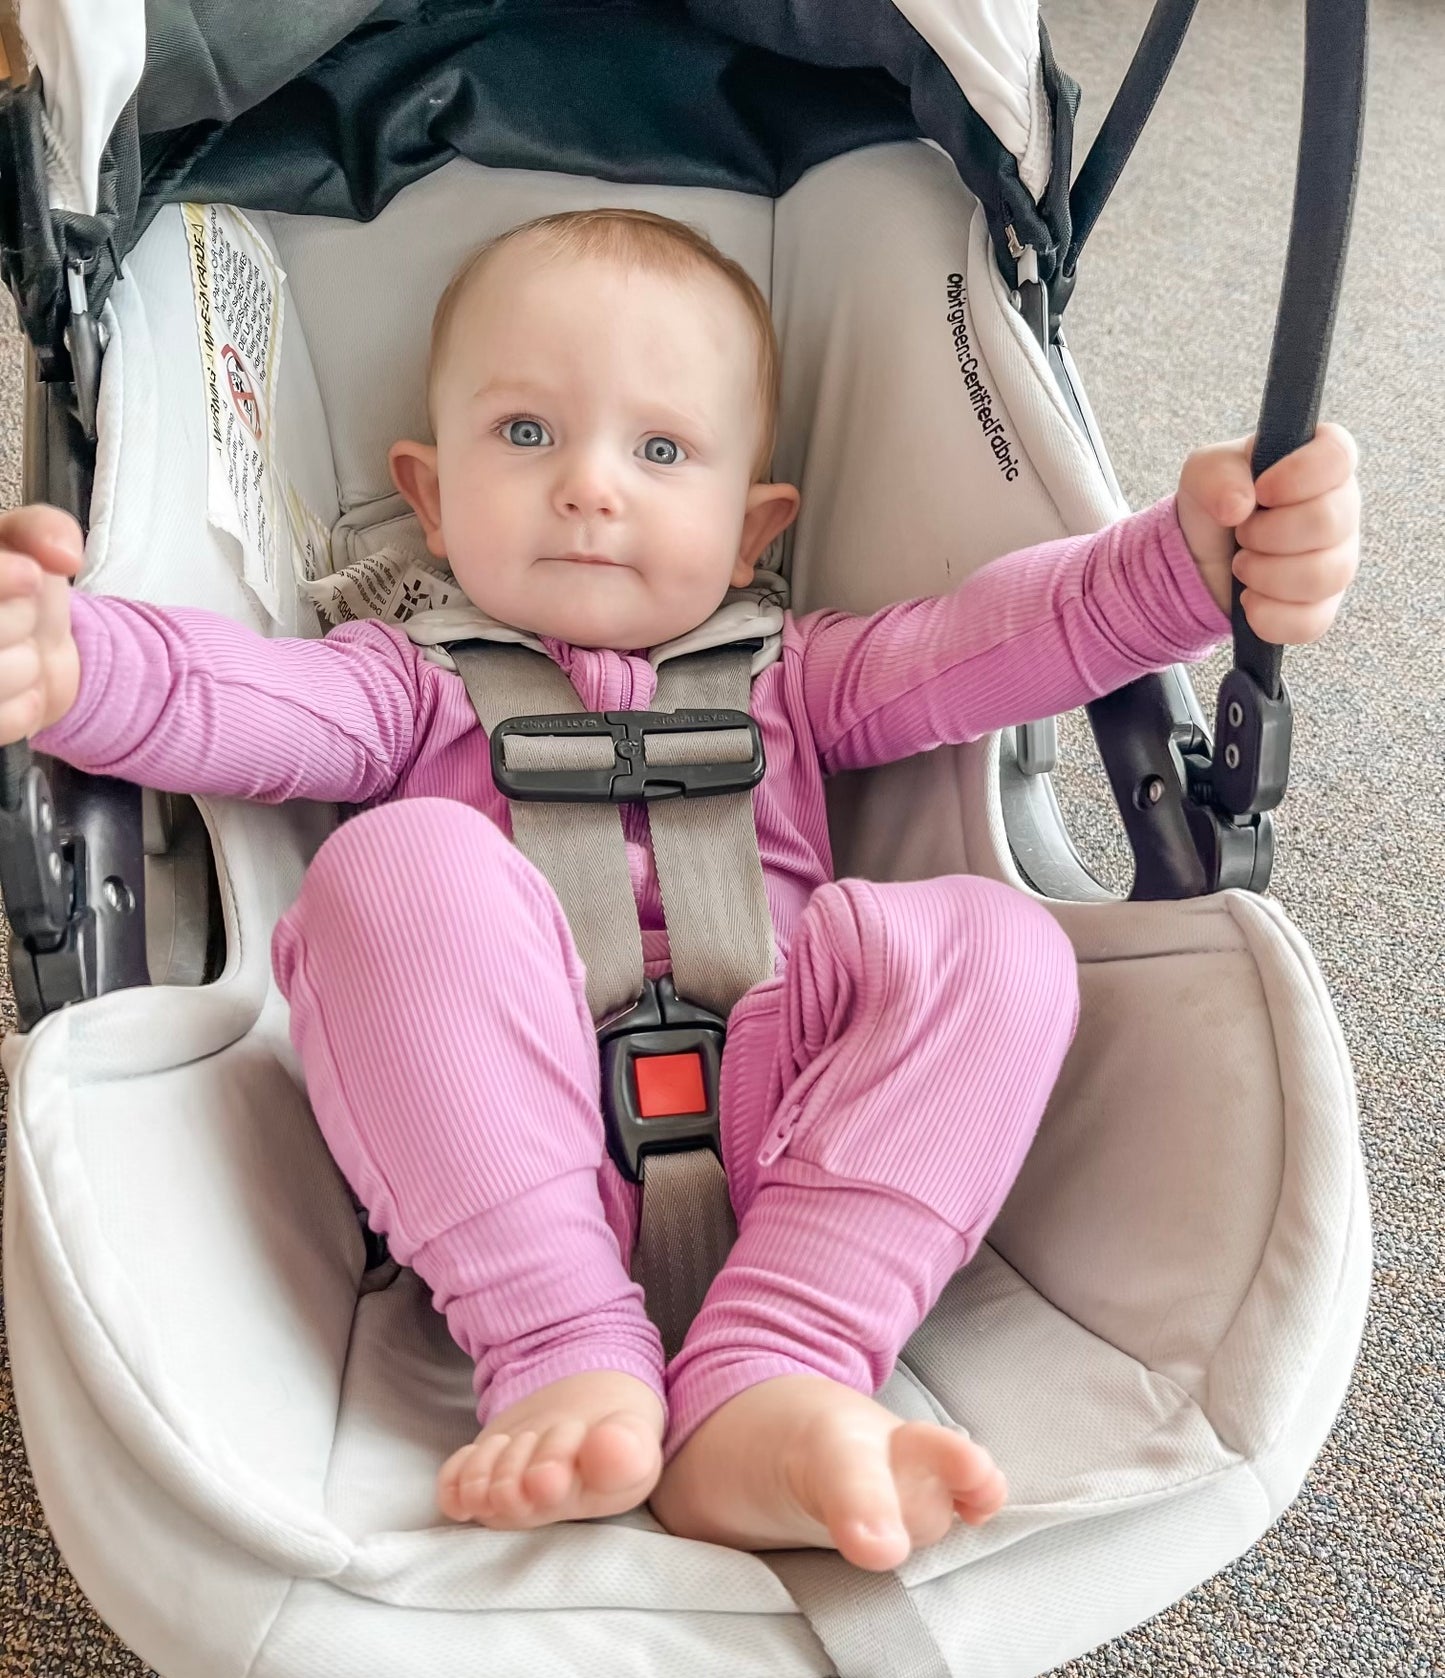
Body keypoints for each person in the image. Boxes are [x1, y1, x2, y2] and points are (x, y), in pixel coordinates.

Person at [0, 208, 1360, 1572]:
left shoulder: (802, 671)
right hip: (500, 1153)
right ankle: (557, 1348)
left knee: (996, 945)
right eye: (525, 434)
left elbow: (1000, 637)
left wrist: (1188, 569)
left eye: (660, 451)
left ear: (752, 522)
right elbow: (219, 690)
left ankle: (779, 1366)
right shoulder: (398, 678)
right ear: (425, 493)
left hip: (794, 1130)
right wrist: (68, 662)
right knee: (394, 871)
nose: (591, 486)